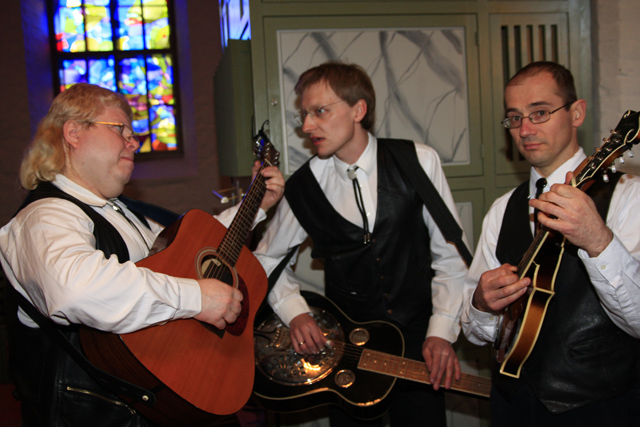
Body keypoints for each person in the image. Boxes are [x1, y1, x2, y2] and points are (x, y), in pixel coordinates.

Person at [0, 83, 285, 426]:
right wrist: (196, 297)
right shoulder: (43, 217)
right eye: (120, 129)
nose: (134, 142)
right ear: (73, 132)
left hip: (155, 401)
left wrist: (254, 206)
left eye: (132, 134)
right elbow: (76, 289)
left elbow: (193, 249)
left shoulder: (121, 211)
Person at [254, 61, 470, 426]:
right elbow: (266, 259)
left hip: (419, 341)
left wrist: (442, 333)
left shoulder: (418, 160)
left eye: (320, 111)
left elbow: (451, 257)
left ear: (358, 110)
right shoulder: (304, 187)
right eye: (304, 115)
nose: (307, 127)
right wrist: (295, 312)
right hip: (347, 349)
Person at [461, 61, 640, 425]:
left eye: (540, 112)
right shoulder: (502, 209)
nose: (525, 129)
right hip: (511, 403)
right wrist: (480, 305)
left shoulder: (629, 197)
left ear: (577, 113)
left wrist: (598, 240)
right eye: (515, 118)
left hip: (600, 406)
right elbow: (474, 332)